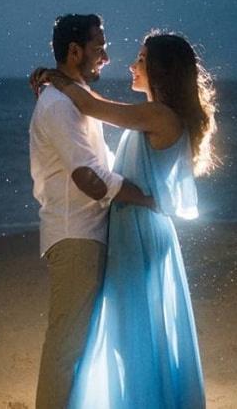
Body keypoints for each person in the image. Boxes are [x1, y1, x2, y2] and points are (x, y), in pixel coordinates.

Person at [32, 31, 217, 408]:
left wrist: (56, 77)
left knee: (135, 331)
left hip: (141, 231)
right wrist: (61, 81)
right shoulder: (154, 115)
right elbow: (94, 103)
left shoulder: (158, 115)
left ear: (161, 70)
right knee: (133, 330)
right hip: (135, 229)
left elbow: (91, 106)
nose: (132, 65)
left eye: (142, 60)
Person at [29, 14, 156, 409]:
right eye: (99, 47)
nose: (106, 56)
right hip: (75, 235)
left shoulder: (71, 97)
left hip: (87, 233)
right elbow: (89, 177)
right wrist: (147, 199)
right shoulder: (58, 106)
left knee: (80, 343)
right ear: (75, 50)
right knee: (67, 345)